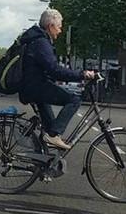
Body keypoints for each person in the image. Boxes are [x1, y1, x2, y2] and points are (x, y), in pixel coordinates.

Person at [19, 9, 96, 151]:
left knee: (49, 129)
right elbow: (54, 69)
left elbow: (51, 70)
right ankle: (53, 135)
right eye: (59, 27)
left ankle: (44, 164)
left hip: (32, 87)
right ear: (50, 26)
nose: (60, 31)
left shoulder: (37, 40)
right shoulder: (42, 42)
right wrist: (81, 75)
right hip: (36, 88)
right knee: (74, 100)